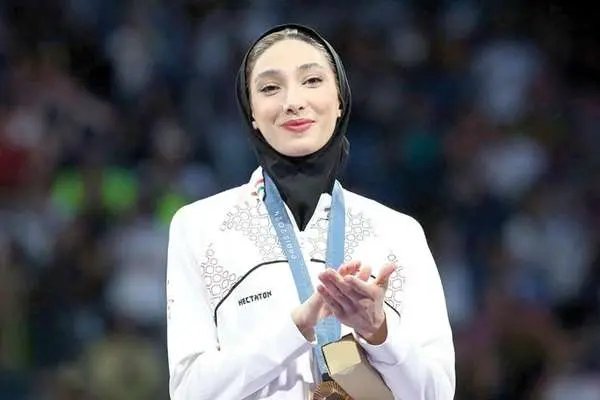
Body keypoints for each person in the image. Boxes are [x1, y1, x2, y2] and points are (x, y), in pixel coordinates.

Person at [166, 23, 455, 400]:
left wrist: (378, 332)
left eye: (312, 80)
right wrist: (296, 329)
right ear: (251, 112)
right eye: (270, 88)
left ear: (340, 100)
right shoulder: (199, 227)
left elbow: (437, 394)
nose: (293, 101)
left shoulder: (397, 233)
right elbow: (189, 392)